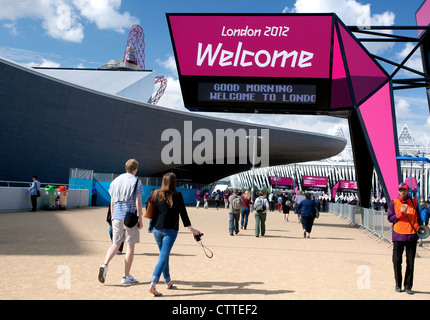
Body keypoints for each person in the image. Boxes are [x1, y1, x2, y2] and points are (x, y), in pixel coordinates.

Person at [148, 172, 200, 296]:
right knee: (163, 257)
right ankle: (153, 284)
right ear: (173, 182)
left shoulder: (156, 193)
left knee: (164, 256)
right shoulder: (177, 195)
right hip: (170, 231)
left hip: (157, 229)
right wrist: (191, 229)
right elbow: (183, 214)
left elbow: (149, 209)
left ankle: (168, 281)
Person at [98, 159, 143, 285]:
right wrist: (140, 219)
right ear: (135, 169)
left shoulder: (115, 181)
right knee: (130, 246)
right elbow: (138, 203)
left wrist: (112, 218)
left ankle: (105, 264)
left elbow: (112, 202)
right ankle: (126, 276)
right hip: (130, 217)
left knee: (115, 244)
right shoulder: (136, 182)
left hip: (116, 216)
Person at [387, 183, 423, 295]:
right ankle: (398, 284)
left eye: (405, 190)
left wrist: (420, 229)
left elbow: (418, 217)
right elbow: (390, 218)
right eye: (401, 190)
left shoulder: (414, 202)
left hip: (412, 236)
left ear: (408, 191)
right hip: (398, 236)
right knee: (397, 261)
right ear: (398, 191)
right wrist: (400, 213)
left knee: (411, 262)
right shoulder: (394, 202)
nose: (403, 192)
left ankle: (408, 286)